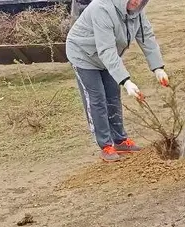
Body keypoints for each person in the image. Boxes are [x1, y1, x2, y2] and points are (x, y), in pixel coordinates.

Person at [66, 0, 170, 162]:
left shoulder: (137, 12)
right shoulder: (102, 8)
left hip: (106, 57)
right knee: (97, 98)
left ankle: (120, 140)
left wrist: (158, 68)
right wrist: (126, 81)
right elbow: (106, 50)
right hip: (83, 55)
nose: (136, 1)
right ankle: (106, 145)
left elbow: (146, 36)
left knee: (113, 95)